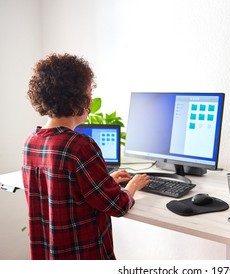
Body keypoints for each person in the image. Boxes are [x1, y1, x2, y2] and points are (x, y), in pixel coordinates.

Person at [22, 53, 150, 260]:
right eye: (88, 93)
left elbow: (68, 190)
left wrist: (106, 181)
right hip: (84, 255)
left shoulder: (31, 142)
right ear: (76, 100)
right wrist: (132, 186)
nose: (91, 100)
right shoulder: (80, 146)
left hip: (50, 254)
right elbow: (116, 206)